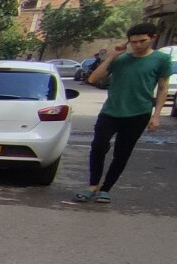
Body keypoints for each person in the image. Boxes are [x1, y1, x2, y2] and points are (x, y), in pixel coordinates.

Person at [69, 23, 172, 205]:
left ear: (152, 38)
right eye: (134, 42)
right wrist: (111, 57)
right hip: (111, 111)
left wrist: (156, 116)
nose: (138, 45)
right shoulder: (121, 59)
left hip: (138, 113)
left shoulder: (161, 60)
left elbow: (163, 87)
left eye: (143, 41)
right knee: (98, 147)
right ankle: (92, 185)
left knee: (122, 153)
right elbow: (93, 78)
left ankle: (105, 189)